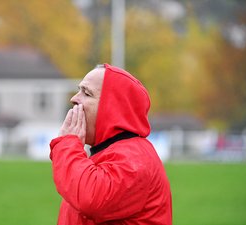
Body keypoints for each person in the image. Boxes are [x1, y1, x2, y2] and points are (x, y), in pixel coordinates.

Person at [49, 63, 172, 225]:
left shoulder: (134, 159)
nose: (74, 99)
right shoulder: (110, 152)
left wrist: (68, 145)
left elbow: (89, 199)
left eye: (86, 93)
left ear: (113, 107)